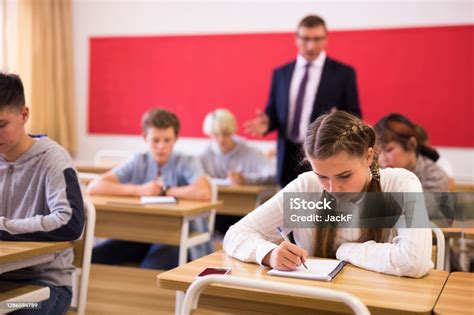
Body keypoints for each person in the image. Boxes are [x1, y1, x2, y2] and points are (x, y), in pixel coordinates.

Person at [224, 111, 433, 278]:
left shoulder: (400, 183)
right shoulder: (307, 187)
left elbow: (414, 262)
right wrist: (268, 253)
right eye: (322, 176)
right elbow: (236, 235)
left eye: (344, 175)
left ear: (368, 156)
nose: (332, 188)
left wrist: (345, 250)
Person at [0, 73, 85, 314]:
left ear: (24, 114)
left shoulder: (53, 160)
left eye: (1, 125)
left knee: (14, 311)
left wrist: (4, 227)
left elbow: (70, 223)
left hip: (46, 287)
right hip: (3, 277)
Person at [244, 15, 361, 187]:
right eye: (306, 39)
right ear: (296, 39)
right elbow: (274, 111)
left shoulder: (343, 74)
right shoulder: (281, 73)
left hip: (324, 154)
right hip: (287, 157)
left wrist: (339, 120)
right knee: (292, 211)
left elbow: (354, 114)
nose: (311, 45)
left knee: (321, 211)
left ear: (326, 39)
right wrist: (268, 123)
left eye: (317, 39)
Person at [87, 108, 212, 269]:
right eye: (155, 140)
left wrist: (166, 190)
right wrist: (139, 190)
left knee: (151, 267)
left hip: (178, 235)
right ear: (145, 138)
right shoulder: (138, 160)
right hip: (140, 232)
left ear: (176, 139)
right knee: (94, 257)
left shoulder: (187, 161)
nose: (161, 146)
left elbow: (203, 192)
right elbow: (95, 187)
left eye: (167, 140)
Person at [375, 113, 449, 192]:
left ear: (411, 144)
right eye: (378, 152)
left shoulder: (435, 177)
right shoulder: (375, 175)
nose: (382, 159)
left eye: (388, 150)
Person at [200, 108, 275, 185]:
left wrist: (246, 179)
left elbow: (274, 174)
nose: (221, 139)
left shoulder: (252, 154)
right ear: (209, 134)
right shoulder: (204, 155)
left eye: (225, 133)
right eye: (216, 134)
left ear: (232, 131)